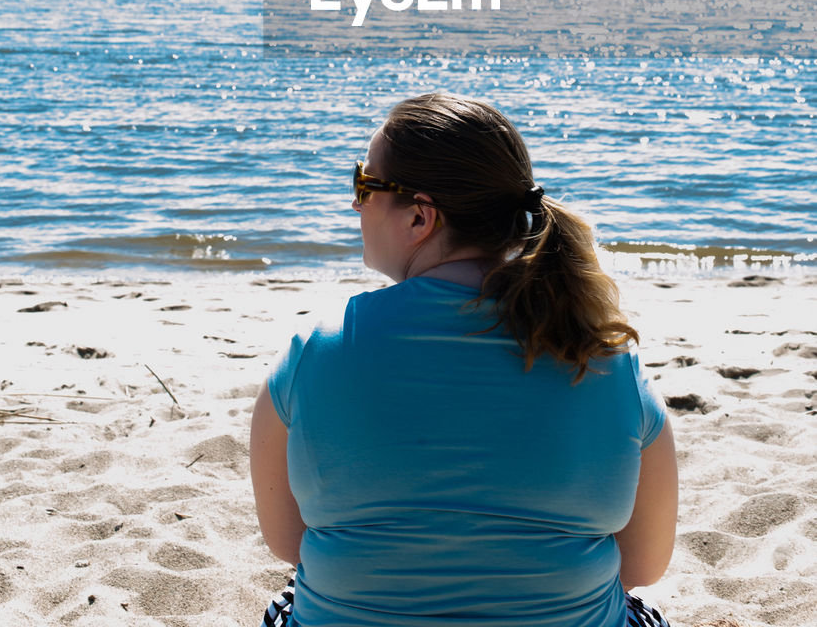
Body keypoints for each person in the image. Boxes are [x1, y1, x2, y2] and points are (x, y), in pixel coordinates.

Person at [250, 93, 678, 627]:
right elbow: (643, 564)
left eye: (365, 184)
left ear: (419, 218)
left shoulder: (314, 350)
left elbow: (290, 544)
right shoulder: (605, 359)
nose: (355, 204)